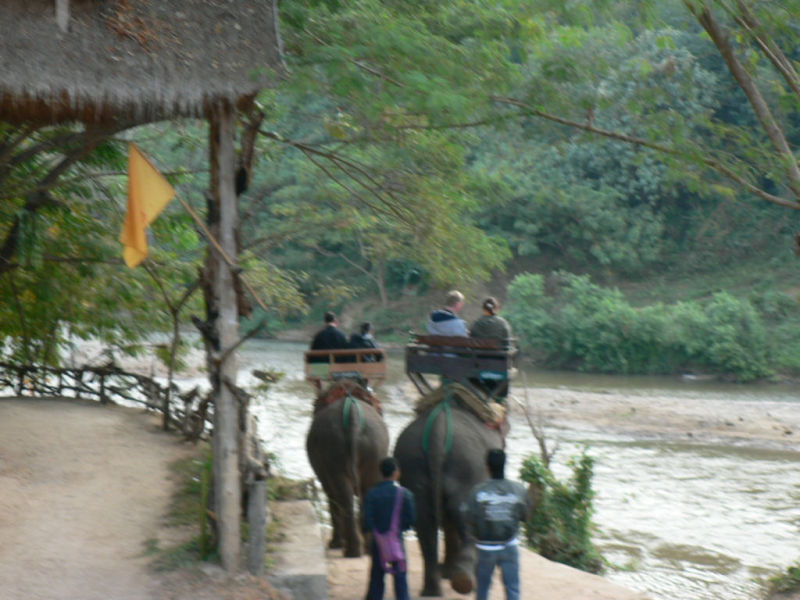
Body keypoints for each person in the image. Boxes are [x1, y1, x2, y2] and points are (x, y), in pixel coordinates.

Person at [463, 449, 532, 600]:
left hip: (485, 548)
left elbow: (468, 518)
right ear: (505, 464)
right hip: (509, 545)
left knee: (482, 590)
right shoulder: (518, 489)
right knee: (512, 588)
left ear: (487, 467)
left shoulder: (477, 492)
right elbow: (525, 516)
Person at [363, 457, 416, 600]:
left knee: (376, 577)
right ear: (396, 472)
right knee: (400, 578)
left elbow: (366, 520)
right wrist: (400, 529)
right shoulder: (405, 494)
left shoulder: (372, 494)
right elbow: (411, 519)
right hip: (396, 540)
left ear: (381, 473)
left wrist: (373, 532)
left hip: (378, 541)